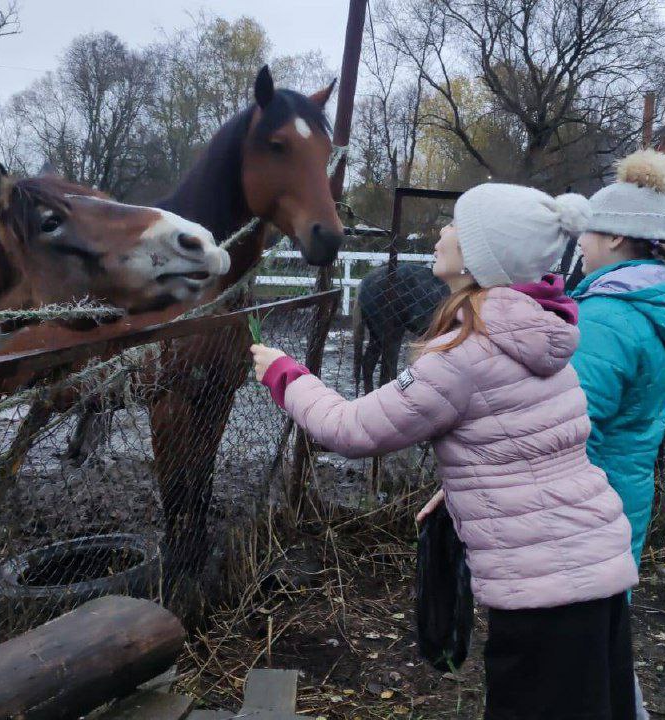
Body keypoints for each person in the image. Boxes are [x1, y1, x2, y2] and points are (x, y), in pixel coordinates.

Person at [250, 183, 638, 719]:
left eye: (456, 225)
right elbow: (530, 447)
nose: (441, 233)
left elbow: (350, 429)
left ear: (483, 256)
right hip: (595, 568)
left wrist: (284, 374)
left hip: (543, 591)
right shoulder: (542, 337)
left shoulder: (463, 354)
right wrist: (459, 490)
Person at [570, 149, 665, 719]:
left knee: (579, 649)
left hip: (584, 504)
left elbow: (570, 424)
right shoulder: (651, 306)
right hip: (624, 494)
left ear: (617, 238)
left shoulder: (608, 317)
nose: (582, 244)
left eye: (589, 233)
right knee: (602, 639)